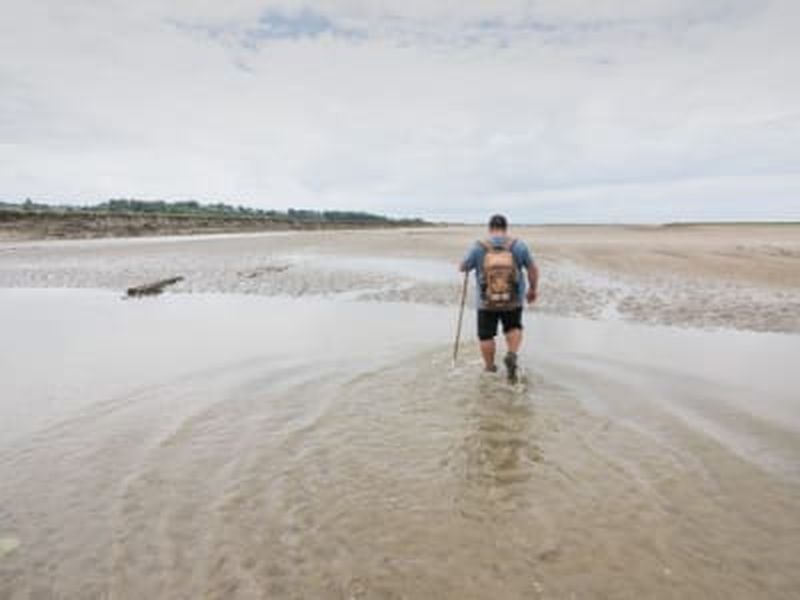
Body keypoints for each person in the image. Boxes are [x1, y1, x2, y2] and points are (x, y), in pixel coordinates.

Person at [459, 214, 538, 381]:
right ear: (506, 228)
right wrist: (532, 290)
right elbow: (532, 269)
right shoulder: (518, 245)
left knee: (486, 335)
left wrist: (470, 264)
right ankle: (512, 354)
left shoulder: (479, 246)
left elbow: (463, 267)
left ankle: (489, 368)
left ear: (490, 228)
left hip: (486, 301)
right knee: (513, 327)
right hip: (513, 299)